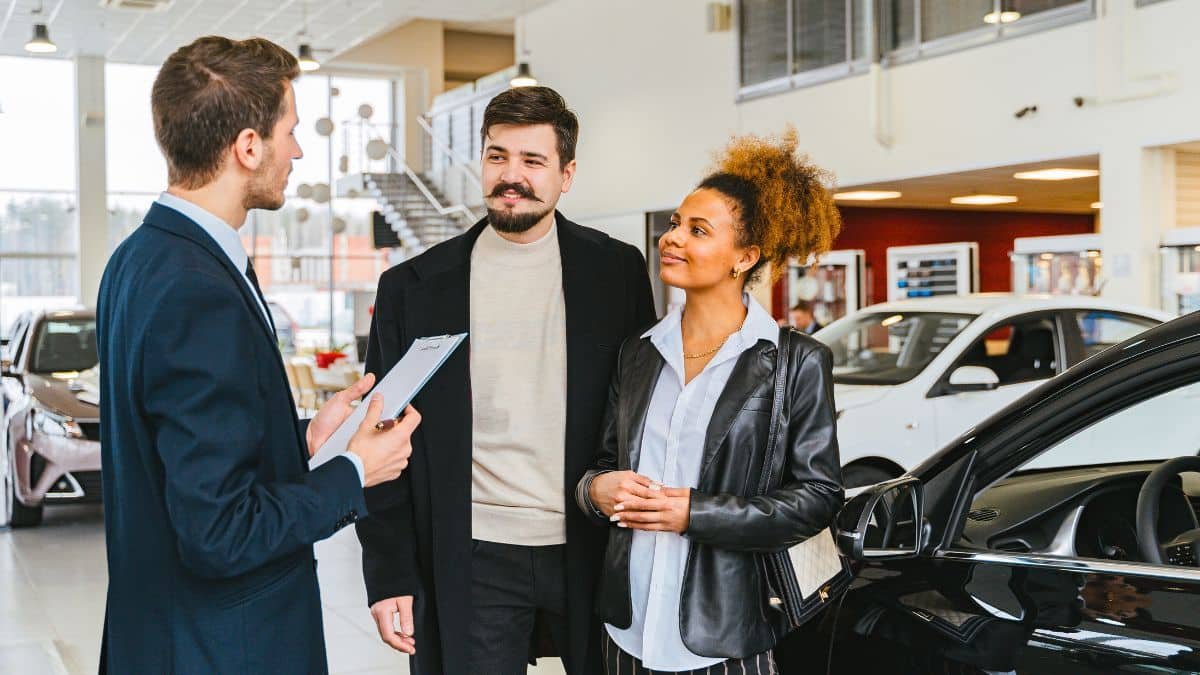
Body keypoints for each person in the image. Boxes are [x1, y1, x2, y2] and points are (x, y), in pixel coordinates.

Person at [95, 36, 420, 674]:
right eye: (290, 131)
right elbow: (219, 533)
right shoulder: (197, 288)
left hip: (160, 633)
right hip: (221, 647)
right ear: (249, 146)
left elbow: (183, 456)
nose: (296, 150)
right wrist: (353, 471)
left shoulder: (137, 259)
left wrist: (303, 440)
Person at [356, 86, 656, 674]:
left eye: (532, 161)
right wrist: (387, 573)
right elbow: (380, 440)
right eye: (497, 157)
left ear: (566, 175)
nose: (510, 176)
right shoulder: (414, 287)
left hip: (589, 542)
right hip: (471, 551)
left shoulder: (616, 271)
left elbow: (643, 409)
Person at [576, 128, 845, 674]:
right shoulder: (639, 352)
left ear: (743, 256)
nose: (673, 239)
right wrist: (594, 490)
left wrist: (694, 512)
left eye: (697, 230)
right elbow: (604, 463)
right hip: (625, 627)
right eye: (675, 224)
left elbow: (817, 497)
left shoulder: (797, 362)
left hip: (723, 632)